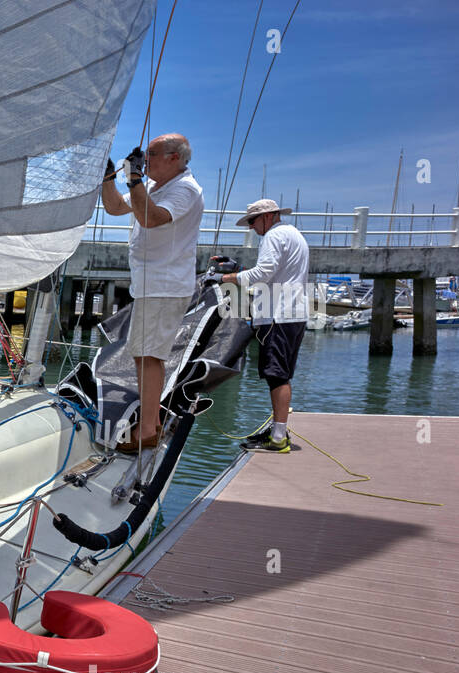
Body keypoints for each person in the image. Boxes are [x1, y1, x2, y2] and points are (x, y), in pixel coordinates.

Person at [100, 133, 204, 452]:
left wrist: (134, 178)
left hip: (165, 284)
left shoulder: (185, 189)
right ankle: (151, 424)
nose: (145, 160)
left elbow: (150, 218)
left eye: (152, 154)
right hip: (153, 285)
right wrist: (107, 175)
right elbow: (116, 206)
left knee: (148, 355)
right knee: (144, 354)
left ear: (175, 158)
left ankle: (147, 430)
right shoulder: (158, 188)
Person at [215, 199, 309, 454]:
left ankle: (278, 437)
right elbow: (275, 270)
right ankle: (278, 431)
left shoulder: (273, 236)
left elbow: (263, 274)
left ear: (268, 217)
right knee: (281, 374)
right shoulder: (294, 234)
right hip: (294, 314)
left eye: (253, 221)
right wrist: (237, 268)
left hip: (277, 315)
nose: (252, 228)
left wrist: (224, 278)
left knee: (277, 375)